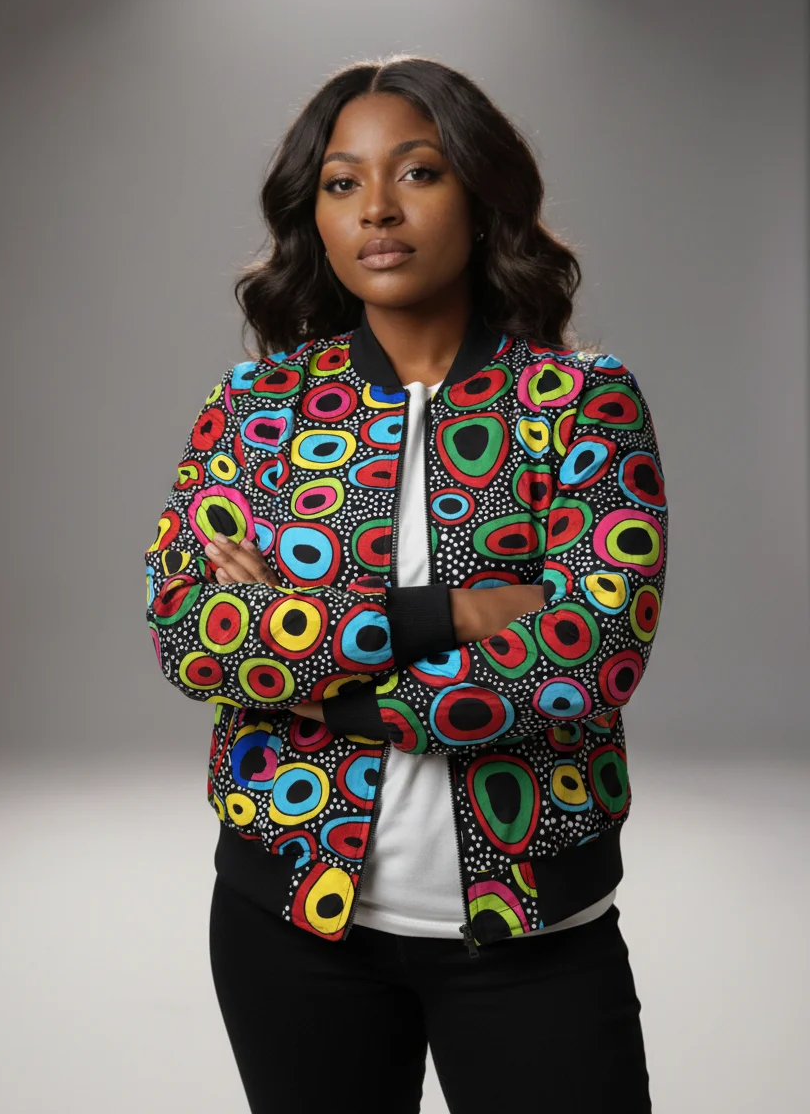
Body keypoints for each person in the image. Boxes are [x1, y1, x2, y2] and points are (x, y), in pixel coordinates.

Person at [143, 54, 665, 1113]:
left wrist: (310, 679)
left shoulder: (581, 401)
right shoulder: (256, 407)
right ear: (316, 215)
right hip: (290, 920)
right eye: (342, 182)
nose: (377, 208)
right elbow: (191, 632)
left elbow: (590, 657)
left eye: (418, 172)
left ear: (482, 196)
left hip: (532, 924)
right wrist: (454, 611)